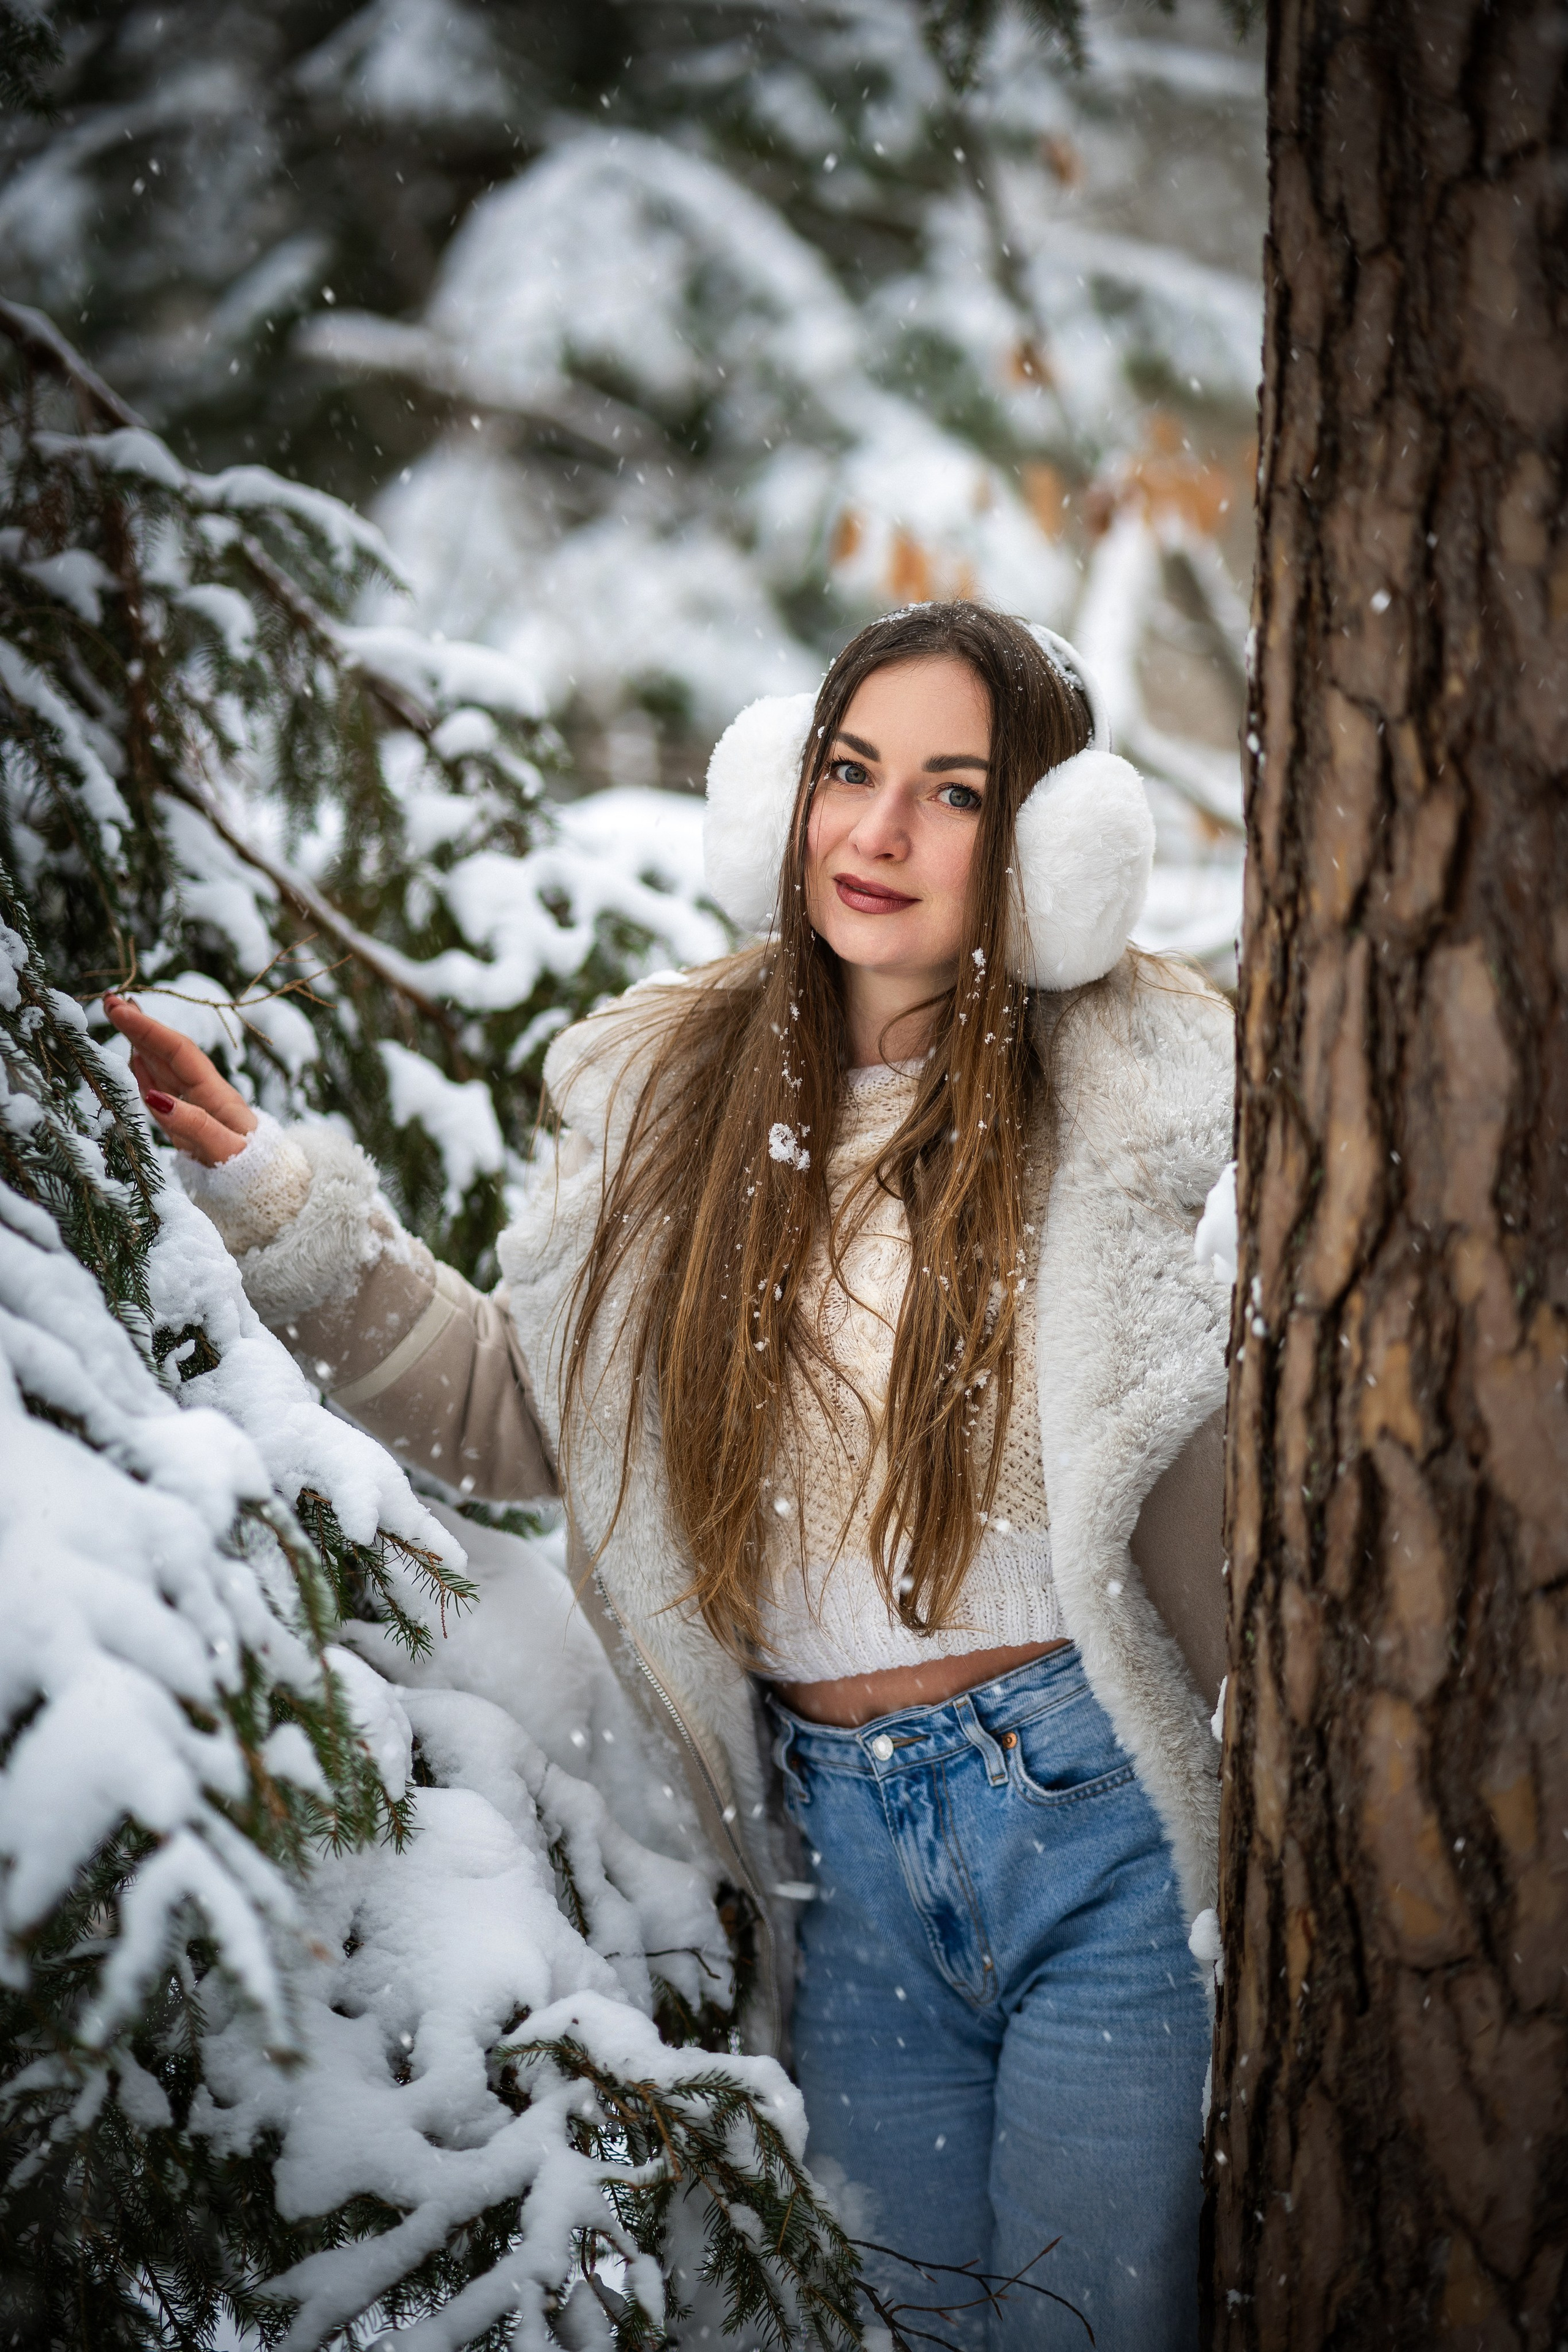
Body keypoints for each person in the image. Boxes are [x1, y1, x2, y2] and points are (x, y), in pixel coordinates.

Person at [108, 601, 1233, 2349]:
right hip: (841, 1863)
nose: (876, 834)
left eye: (953, 792)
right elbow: (522, 1412)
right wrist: (272, 1200)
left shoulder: (1145, 1100)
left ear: (1045, 849)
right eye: (851, 773)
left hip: (1106, 1835)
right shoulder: (678, 1099)